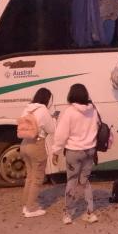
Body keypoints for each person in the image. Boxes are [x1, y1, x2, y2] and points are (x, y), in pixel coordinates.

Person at [52, 83, 99, 224]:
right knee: (85, 182)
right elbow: (97, 127)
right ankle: (90, 213)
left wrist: (55, 151)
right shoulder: (93, 109)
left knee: (72, 181)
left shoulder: (69, 112)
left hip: (73, 152)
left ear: (71, 95)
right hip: (90, 150)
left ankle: (67, 215)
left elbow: (61, 134)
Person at [20, 87, 56, 218]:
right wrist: (53, 119)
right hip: (36, 144)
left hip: (24, 144)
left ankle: (25, 205)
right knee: (37, 178)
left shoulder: (27, 108)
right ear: (47, 99)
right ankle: (31, 209)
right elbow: (51, 129)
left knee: (29, 176)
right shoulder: (43, 110)